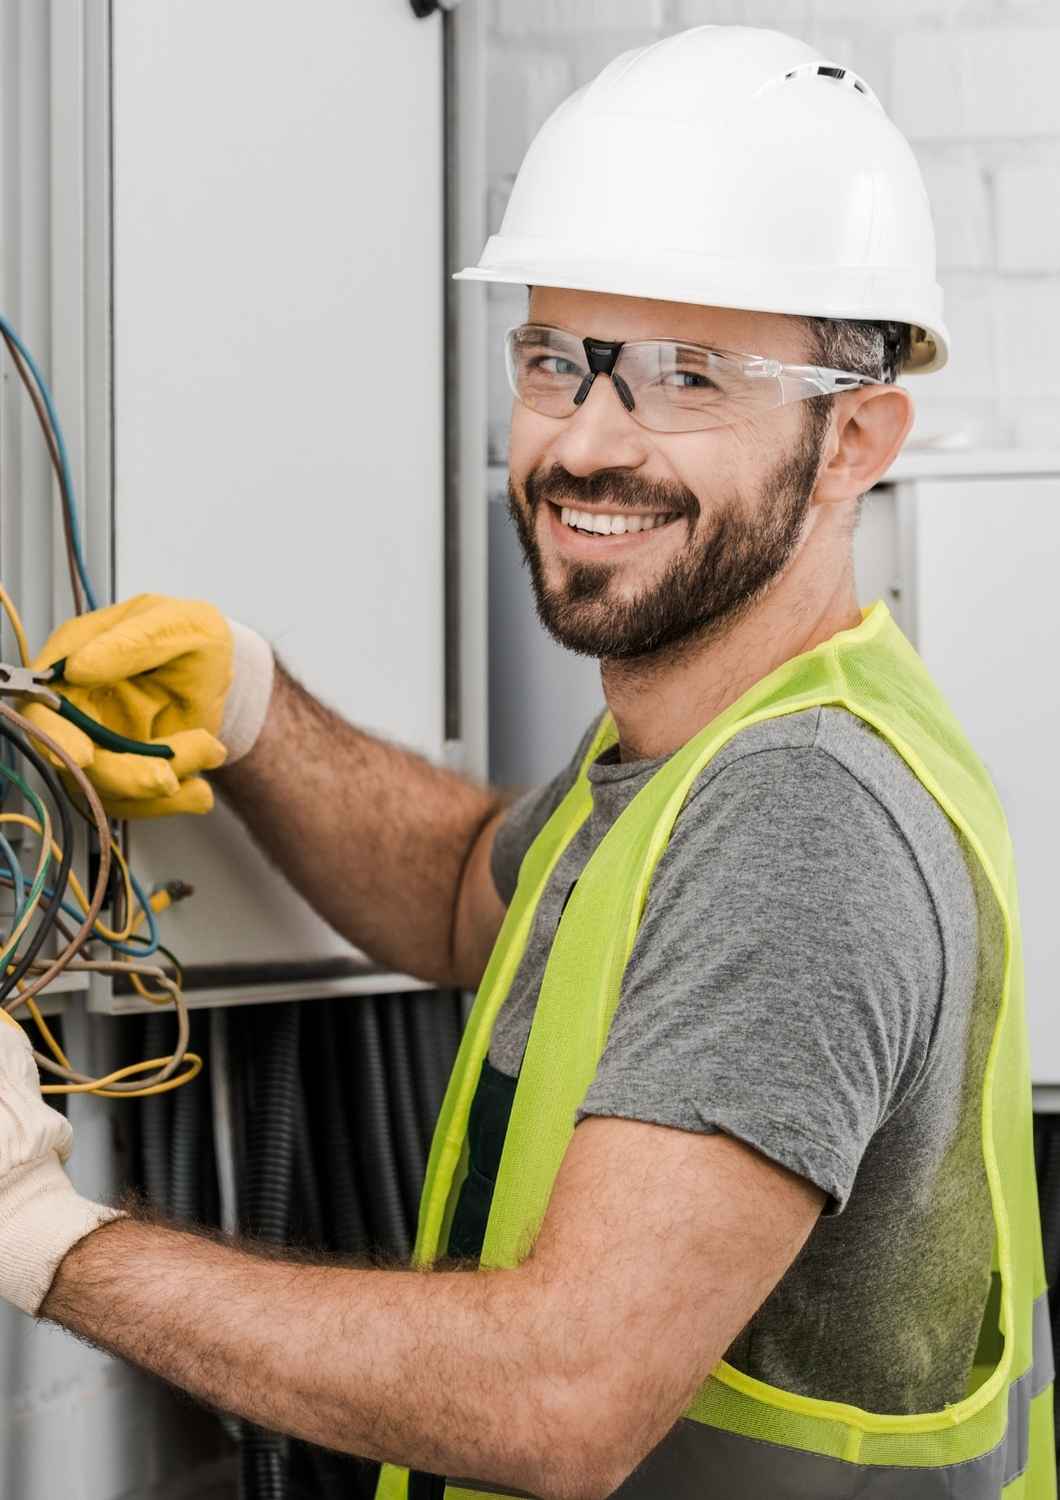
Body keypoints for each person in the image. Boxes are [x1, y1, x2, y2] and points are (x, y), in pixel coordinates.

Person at [0, 25, 1053, 1500]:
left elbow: (556, 1397)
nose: (588, 441)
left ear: (856, 438)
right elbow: (456, 892)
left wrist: (46, 1240)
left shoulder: (799, 817)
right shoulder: (693, 754)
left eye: (690, 378)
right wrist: (250, 709)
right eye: (559, 361)